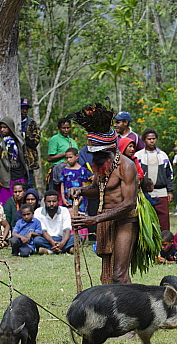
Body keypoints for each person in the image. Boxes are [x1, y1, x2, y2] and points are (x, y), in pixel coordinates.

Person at [70, 103, 139, 285]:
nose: (94, 158)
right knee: (107, 275)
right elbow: (97, 190)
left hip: (125, 221)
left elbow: (129, 203)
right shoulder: (101, 165)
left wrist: (94, 220)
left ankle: (132, 310)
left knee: (119, 275)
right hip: (105, 221)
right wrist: (81, 191)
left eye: (98, 154)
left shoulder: (126, 166)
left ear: (109, 150)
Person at [136, 129, 173, 231]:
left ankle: (164, 242)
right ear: (144, 140)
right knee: (146, 219)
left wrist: (170, 191)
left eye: (154, 138)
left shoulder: (162, 155)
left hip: (161, 191)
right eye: (149, 139)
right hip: (144, 193)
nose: (152, 141)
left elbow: (169, 174)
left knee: (164, 219)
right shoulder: (138, 156)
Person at [0, 117, 29, 205]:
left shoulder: (18, 139)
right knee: (5, 202)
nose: (2, 130)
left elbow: (24, 155)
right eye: (1, 127)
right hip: (5, 176)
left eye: (5, 127)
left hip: (19, 173)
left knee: (20, 200)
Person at [33, 190, 74, 255]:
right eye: (49, 201)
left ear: (58, 201)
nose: (51, 204)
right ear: (44, 202)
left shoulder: (64, 210)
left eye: (54, 201)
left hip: (62, 238)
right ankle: (66, 249)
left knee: (77, 237)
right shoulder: (38, 212)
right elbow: (43, 231)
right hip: (47, 239)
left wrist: (62, 243)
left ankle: (50, 251)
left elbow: (67, 230)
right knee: (37, 240)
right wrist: (52, 242)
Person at [47, 117, 77, 192]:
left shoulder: (72, 140)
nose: (66, 130)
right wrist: (64, 154)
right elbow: (49, 158)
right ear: (59, 128)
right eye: (63, 128)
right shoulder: (55, 139)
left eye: (68, 128)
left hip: (72, 172)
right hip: (59, 172)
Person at [60, 148, 92, 214]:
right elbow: (62, 185)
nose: (69, 160)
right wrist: (63, 198)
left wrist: (80, 199)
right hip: (67, 199)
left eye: (70, 157)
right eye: (67, 158)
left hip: (80, 199)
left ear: (77, 156)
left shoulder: (82, 170)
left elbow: (84, 185)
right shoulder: (64, 170)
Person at [20, 98, 41, 187]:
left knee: (29, 183)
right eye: (22, 108)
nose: (24, 111)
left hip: (29, 160)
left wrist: (24, 136)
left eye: (26, 109)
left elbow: (35, 141)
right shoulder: (12, 122)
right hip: (15, 161)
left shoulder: (32, 123)